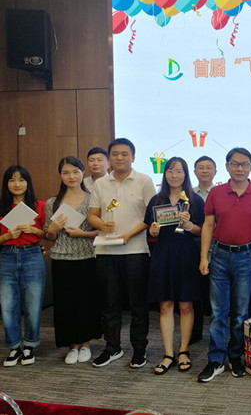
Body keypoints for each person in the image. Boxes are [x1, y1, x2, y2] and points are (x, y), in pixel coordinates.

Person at [197, 147, 251, 383]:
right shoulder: (216, 192)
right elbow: (208, 226)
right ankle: (216, 359)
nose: (240, 168)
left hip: (247, 257)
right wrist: (204, 257)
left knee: (240, 312)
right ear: (227, 166)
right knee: (218, 312)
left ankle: (235, 356)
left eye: (245, 164)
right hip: (219, 255)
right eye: (235, 163)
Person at [88, 138, 156, 368]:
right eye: (115, 154)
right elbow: (93, 215)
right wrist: (101, 224)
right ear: (109, 158)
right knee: (109, 304)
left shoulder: (144, 181)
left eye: (124, 154)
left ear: (133, 157)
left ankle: (139, 349)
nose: (119, 158)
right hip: (105, 251)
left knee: (138, 305)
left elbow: (150, 216)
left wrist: (128, 235)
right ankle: (112, 348)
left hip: (135, 250)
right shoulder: (101, 183)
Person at [145, 157, 204, 375]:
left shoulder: (194, 200)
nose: (174, 175)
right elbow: (149, 229)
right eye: (170, 171)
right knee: (165, 305)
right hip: (163, 254)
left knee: (186, 306)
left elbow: (203, 230)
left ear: (185, 174)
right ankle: (168, 353)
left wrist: (189, 225)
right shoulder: (156, 199)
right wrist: (153, 231)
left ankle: (183, 351)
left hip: (187, 254)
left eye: (179, 171)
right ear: (165, 174)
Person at [45, 156, 102, 365]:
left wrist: (82, 234)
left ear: (82, 173)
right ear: (60, 175)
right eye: (66, 172)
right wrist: (52, 229)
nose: (71, 176)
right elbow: (49, 236)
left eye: (75, 171)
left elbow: (101, 231)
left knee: (86, 302)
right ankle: (72, 346)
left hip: (87, 257)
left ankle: (85, 344)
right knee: (65, 303)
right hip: (61, 258)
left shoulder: (92, 200)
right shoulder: (52, 203)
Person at [0, 165, 46, 367]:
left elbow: (49, 234)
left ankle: (29, 345)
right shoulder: (2, 207)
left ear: (28, 182)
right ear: (6, 184)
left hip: (33, 255)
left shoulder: (39, 206)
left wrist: (35, 230)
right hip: (6, 256)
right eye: (12, 180)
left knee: (32, 304)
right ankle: (13, 347)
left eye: (21, 179)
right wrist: (6, 236)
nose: (17, 184)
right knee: (7, 305)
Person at [190, 155, 217, 344]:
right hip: (194, 247)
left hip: (218, 249)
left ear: (215, 172)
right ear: (194, 172)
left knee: (217, 294)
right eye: (201, 167)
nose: (205, 171)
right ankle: (195, 331)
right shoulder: (188, 195)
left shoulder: (221, 193)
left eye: (209, 168)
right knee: (195, 292)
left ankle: (217, 334)